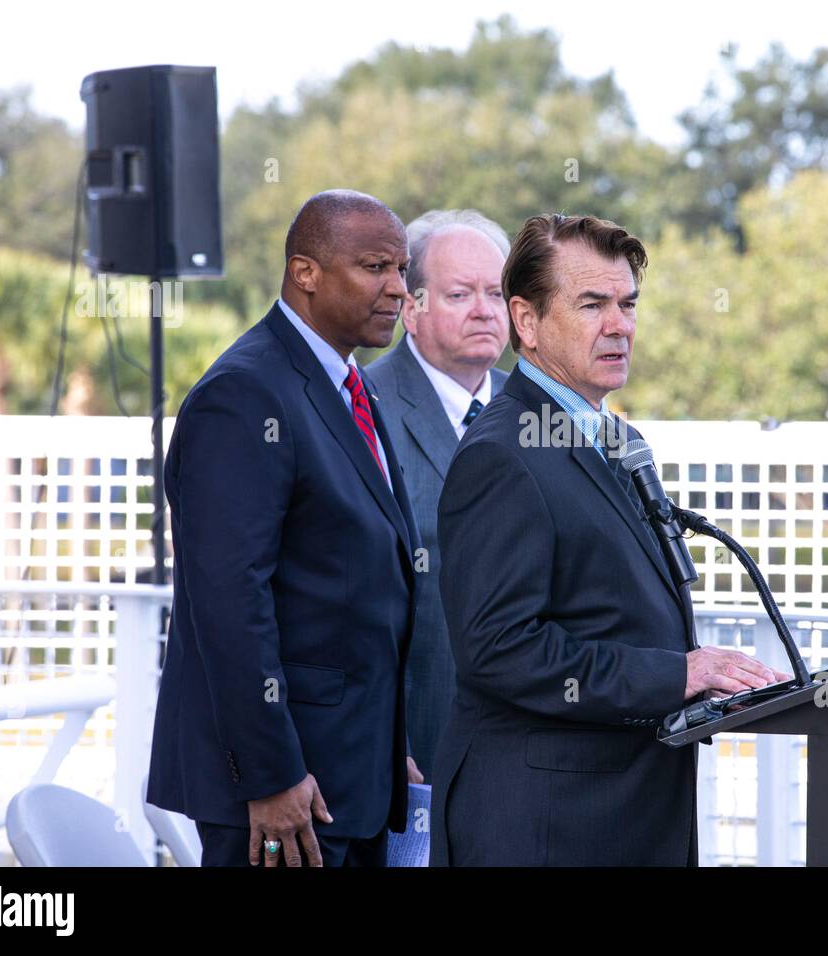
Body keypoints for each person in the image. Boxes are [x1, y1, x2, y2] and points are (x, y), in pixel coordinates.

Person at [430, 213, 789, 866]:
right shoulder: (503, 454)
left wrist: (699, 682)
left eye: (627, 304)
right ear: (527, 322)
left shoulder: (618, 439)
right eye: (592, 304)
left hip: (625, 815)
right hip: (545, 829)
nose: (619, 325)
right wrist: (676, 673)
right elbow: (499, 648)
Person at [147, 190, 422, 867]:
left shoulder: (348, 387)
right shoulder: (243, 396)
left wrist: (387, 750)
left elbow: (347, 587)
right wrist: (269, 775)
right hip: (278, 801)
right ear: (305, 272)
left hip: (351, 782)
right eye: (374, 267)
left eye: (402, 270)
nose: (397, 290)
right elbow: (229, 603)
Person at [367, 209, 510, 784]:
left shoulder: (539, 416)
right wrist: (382, 743)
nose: (484, 310)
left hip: (523, 753)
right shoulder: (361, 407)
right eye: (459, 294)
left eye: (497, 294)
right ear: (412, 308)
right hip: (406, 752)